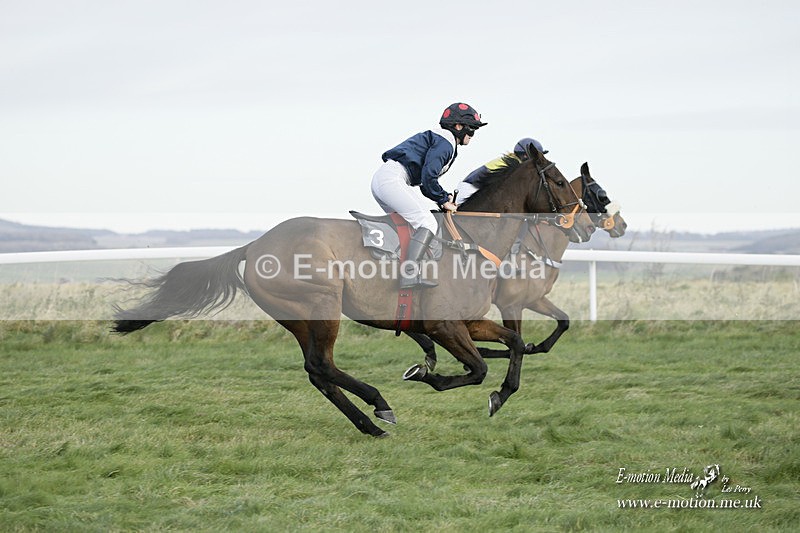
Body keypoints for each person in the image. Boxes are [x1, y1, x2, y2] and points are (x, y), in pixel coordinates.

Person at [371, 102, 487, 288]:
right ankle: (409, 274)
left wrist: (443, 197)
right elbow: (428, 179)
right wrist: (442, 199)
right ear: (458, 127)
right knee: (428, 222)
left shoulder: (442, 139)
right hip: (393, 179)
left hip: (386, 179)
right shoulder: (446, 142)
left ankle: (392, 267)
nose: (472, 135)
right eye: (471, 130)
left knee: (407, 225)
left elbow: (427, 183)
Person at [455, 137, 547, 206]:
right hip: (470, 190)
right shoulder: (514, 165)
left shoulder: (513, 160)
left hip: (473, 188)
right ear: (526, 156)